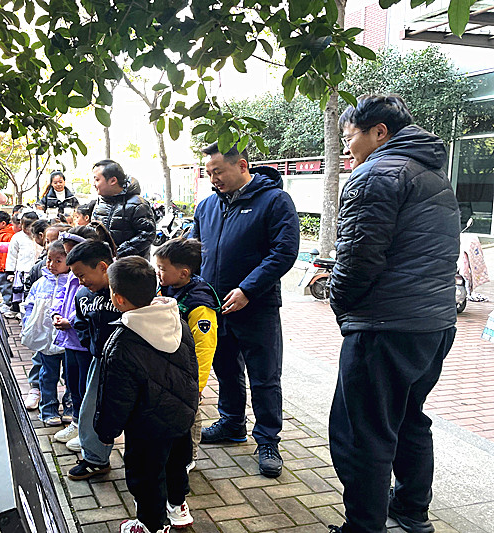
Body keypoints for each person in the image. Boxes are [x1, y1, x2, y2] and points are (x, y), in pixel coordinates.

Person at [327, 95, 459, 533]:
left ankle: (364, 527)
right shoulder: (433, 174)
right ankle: (412, 511)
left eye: (350, 138)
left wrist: (340, 304)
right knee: (409, 420)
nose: (347, 148)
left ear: (379, 132)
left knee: (362, 434)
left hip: (385, 326)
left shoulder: (376, 174)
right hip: (434, 325)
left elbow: (357, 260)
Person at [191, 141, 299, 478]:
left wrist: (248, 289)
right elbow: (194, 252)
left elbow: (284, 251)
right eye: (209, 173)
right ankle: (232, 423)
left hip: (257, 306)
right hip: (215, 306)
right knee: (225, 369)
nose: (214, 179)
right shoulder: (207, 206)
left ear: (242, 166)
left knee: (264, 377)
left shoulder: (274, 200)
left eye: (218, 172)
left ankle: (267, 440)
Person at [95, 257, 199, 533]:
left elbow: (116, 396)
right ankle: (178, 507)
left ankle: (151, 525)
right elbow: (192, 367)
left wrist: (106, 430)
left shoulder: (122, 342)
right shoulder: (177, 321)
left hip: (146, 426)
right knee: (176, 464)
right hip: (180, 417)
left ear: (117, 298)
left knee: (146, 474)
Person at [154, 238, 220, 470]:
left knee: (189, 415)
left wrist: (197, 385)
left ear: (183, 273)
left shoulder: (200, 304)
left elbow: (205, 347)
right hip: (168, 369)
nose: (158, 273)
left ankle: (188, 457)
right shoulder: (167, 288)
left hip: (188, 375)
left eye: (162, 268)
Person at [50, 223, 118, 447]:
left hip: (97, 353)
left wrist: (92, 344)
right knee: (76, 387)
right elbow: (78, 314)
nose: (79, 279)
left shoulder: (116, 292)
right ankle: (80, 425)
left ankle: (91, 436)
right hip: (77, 344)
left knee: (92, 393)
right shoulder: (80, 284)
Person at [65, 239, 120, 480]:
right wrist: (90, 344)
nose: (80, 281)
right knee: (92, 409)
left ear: (102, 267)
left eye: (82, 275)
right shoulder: (83, 294)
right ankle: (95, 459)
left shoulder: (128, 289)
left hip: (132, 364)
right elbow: (81, 323)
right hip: (99, 362)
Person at [21, 240, 72, 426]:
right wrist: (28, 325)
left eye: (58, 261)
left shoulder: (73, 283)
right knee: (48, 374)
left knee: (70, 376)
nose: (52, 264)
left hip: (68, 340)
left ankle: (70, 407)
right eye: (49, 259)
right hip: (45, 339)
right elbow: (29, 306)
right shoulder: (40, 284)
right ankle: (48, 409)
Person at [90, 159, 155, 259]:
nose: (94, 184)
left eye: (97, 180)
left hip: (130, 264)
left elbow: (147, 234)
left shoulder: (138, 204)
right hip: (105, 262)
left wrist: (119, 253)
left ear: (113, 181)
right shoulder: (100, 202)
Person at [5, 211, 39, 318]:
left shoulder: (39, 237)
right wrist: (10, 272)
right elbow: (12, 255)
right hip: (22, 271)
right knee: (20, 292)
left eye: (31, 227)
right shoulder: (17, 237)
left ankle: (29, 312)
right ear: (21, 225)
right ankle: (19, 310)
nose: (28, 230)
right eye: (26, 227)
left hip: (35, 270)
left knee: (32, 292)